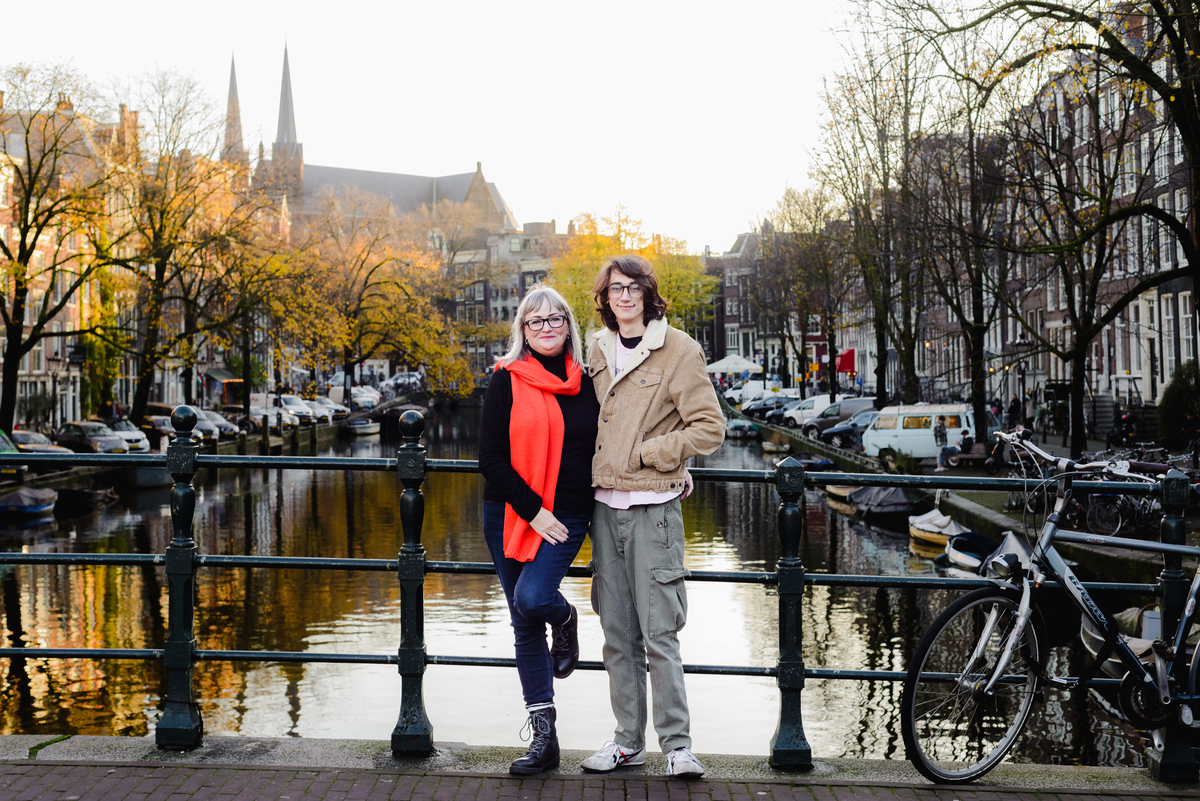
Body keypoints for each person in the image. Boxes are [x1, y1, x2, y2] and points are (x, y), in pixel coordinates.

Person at [581, 255, 725, 780]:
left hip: (653, 508)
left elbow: (710, 428)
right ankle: (626, 742)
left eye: (633, 286)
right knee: (616, 634)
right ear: (605, 296)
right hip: (602, 508)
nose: (624, 295)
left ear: (647, 292)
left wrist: (658, 455)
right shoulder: (594, 349)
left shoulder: (678, 349)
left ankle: (678, 746)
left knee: (660, 634)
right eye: (615, 288)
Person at [478, 285, 600, 776]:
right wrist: (533, 510)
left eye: (555, 319)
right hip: (509, 512)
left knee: (534, 600)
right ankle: (544, 740)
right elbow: (490, 460)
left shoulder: (590, 380)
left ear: (568, 325)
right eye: (536, 321)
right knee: (523, 623)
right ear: (522, 332)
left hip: (569, 513)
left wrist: (679, 466)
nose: (546, 328)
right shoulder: (505, 380)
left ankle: (565, 618)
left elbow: (625, 432)